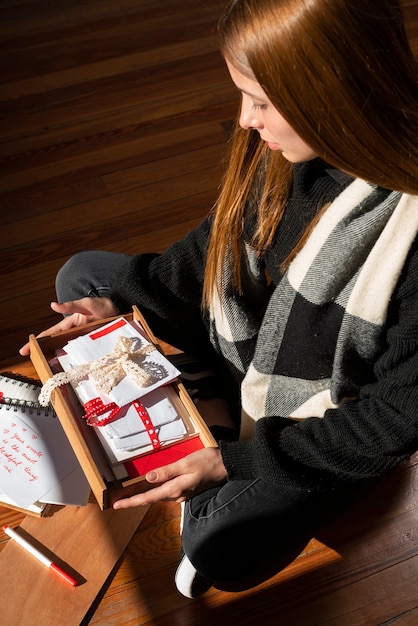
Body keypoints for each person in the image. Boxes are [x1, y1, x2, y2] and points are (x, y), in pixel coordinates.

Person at [20, 0, 418, 599]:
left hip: (327, 410)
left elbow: (390, 422)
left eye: (260, 101)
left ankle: (215, 417)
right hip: (255, 343)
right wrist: (123, 304)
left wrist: (236, 463)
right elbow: (215, 248)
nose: (244, 119)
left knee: (218, 547)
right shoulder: (292, 150)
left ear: (332, 95)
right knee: (83, 280)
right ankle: (215, 403)